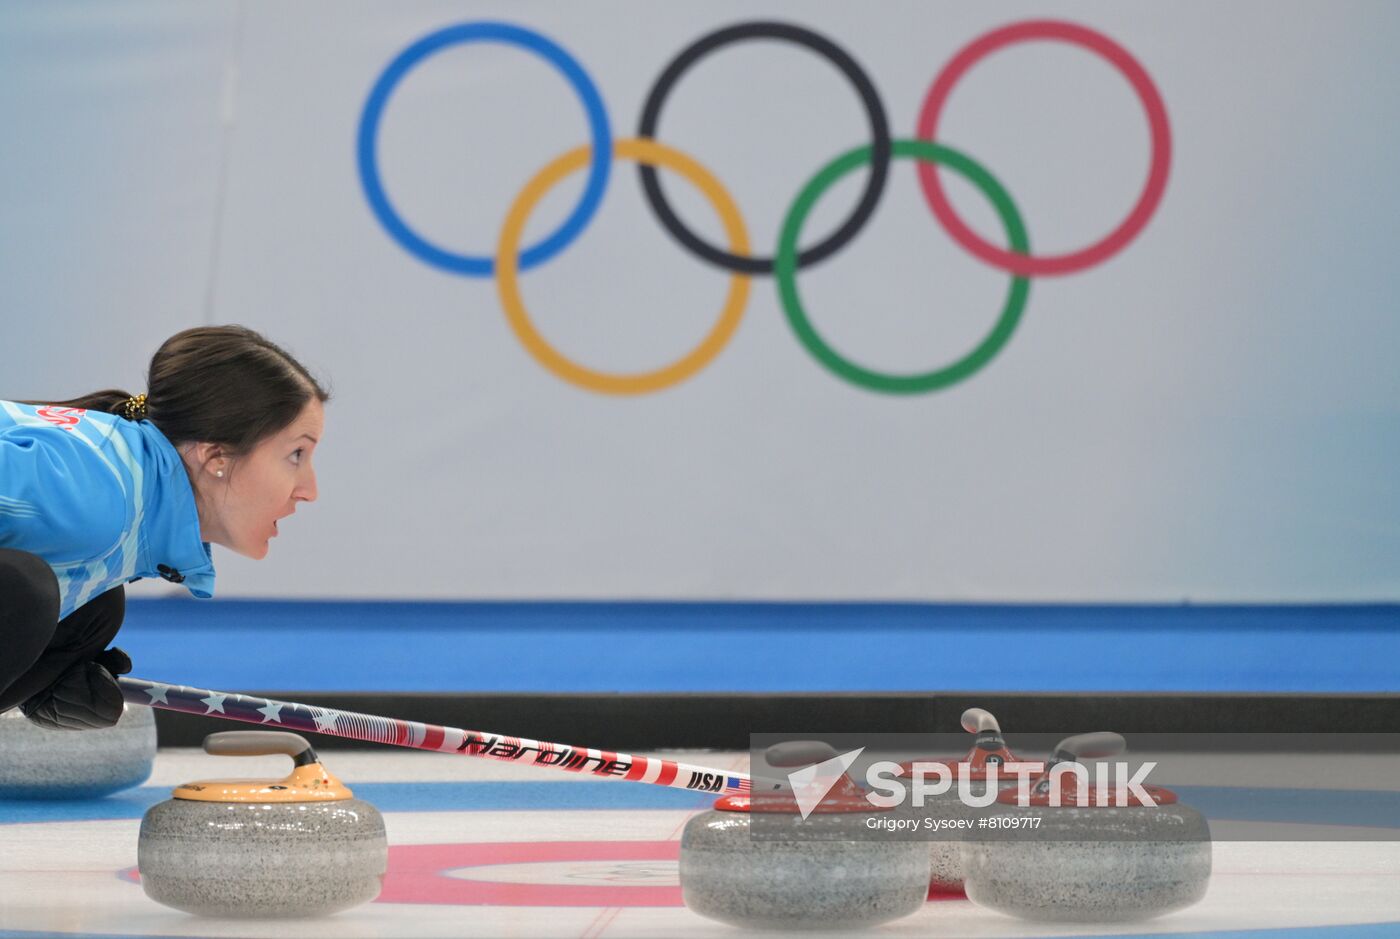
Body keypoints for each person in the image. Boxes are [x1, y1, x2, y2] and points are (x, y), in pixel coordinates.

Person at [0, 325, 328, 730]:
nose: (309, 490)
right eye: (296, 453)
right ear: (216, 457)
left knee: (93, 612)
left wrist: (45, 670)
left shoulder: (125, 496)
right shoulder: (96, 494)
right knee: (23, 591)